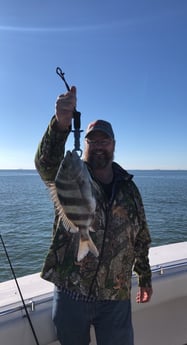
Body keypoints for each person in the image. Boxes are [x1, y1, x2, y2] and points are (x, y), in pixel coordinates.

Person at [35, 86, 153, 345]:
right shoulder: (68, 175)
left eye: (104, 140)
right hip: (71, 292)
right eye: (92, 140)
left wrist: (144, 275)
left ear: (113, 144)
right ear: (84, 143)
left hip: (116, 295)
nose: (99, 146)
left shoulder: (129, 189)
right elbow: (45, 163)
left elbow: (141, 236)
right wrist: (60, 124)